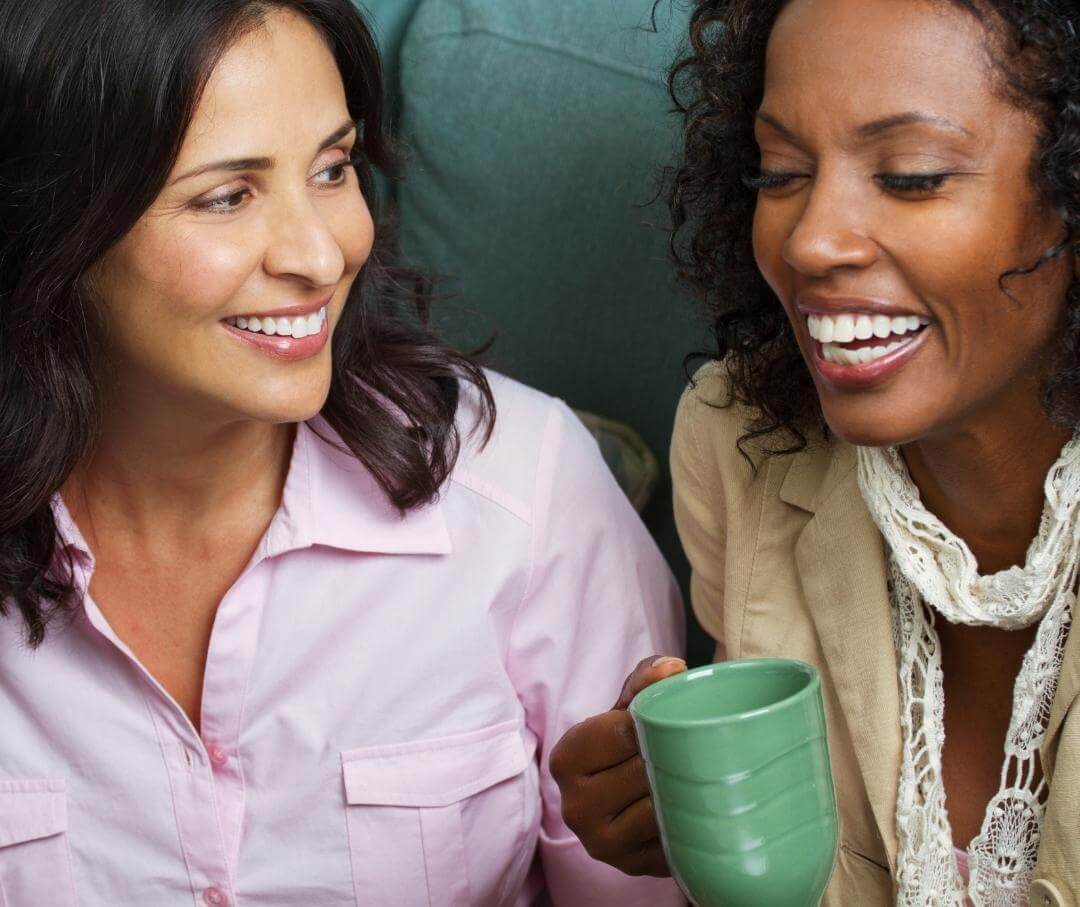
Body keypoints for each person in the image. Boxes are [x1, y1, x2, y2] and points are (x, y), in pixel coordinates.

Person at [0, 1, 685, 903]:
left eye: (333, 168)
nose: (322, 254)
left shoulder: (525, 486)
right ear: (56, 226)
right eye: (227, 195)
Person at [551, 0, 1080, 904]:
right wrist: (669, 827)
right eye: (781, 171)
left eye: (910, 175)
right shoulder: (738, 439)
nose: (809, 240)